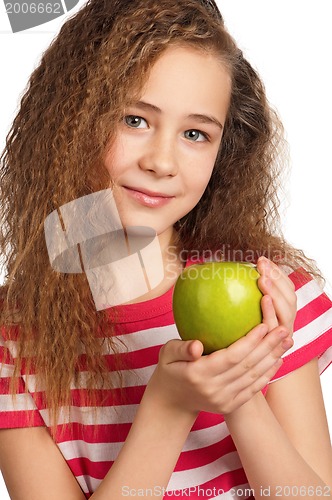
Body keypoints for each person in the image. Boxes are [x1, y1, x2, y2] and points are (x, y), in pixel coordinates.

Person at [0, 0, 331, 498]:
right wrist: (170, 406)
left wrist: (240, 384)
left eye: (195, 134)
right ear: (67, 124)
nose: (162, 161)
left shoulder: (271, 291)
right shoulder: (14, 342)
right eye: (134, 120)